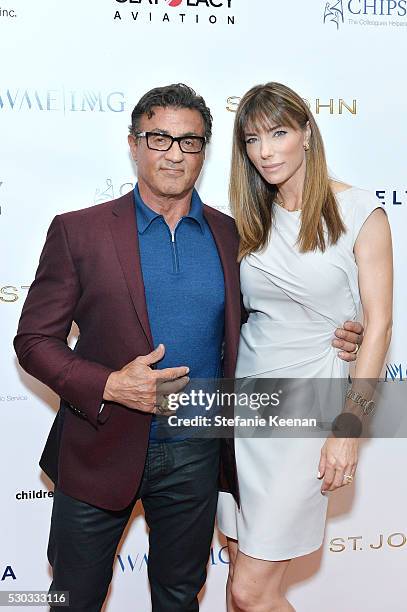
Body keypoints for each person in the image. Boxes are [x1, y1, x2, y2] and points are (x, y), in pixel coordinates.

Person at [14, 83, 363, 612]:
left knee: (180, 597)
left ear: (205, 150)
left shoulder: (236, 236)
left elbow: (268, 317)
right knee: (73, 599)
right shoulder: (78, 232)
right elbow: (34, 340)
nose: (174, 153)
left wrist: (339, 331)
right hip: (97, 447)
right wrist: (109, 384)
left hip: (197, 455)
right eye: (159, 138)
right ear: (133, 144)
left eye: (190, 142)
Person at [217, 82, 393, 612]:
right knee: (240, 583)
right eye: (252, 139)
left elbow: (379, 326)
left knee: (252, 590)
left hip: (311, 408)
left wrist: (349, 428)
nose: (265, 151)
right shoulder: (248, 219)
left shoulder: (360, 212)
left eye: (279, 133)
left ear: (307, 134)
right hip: (244, 409)